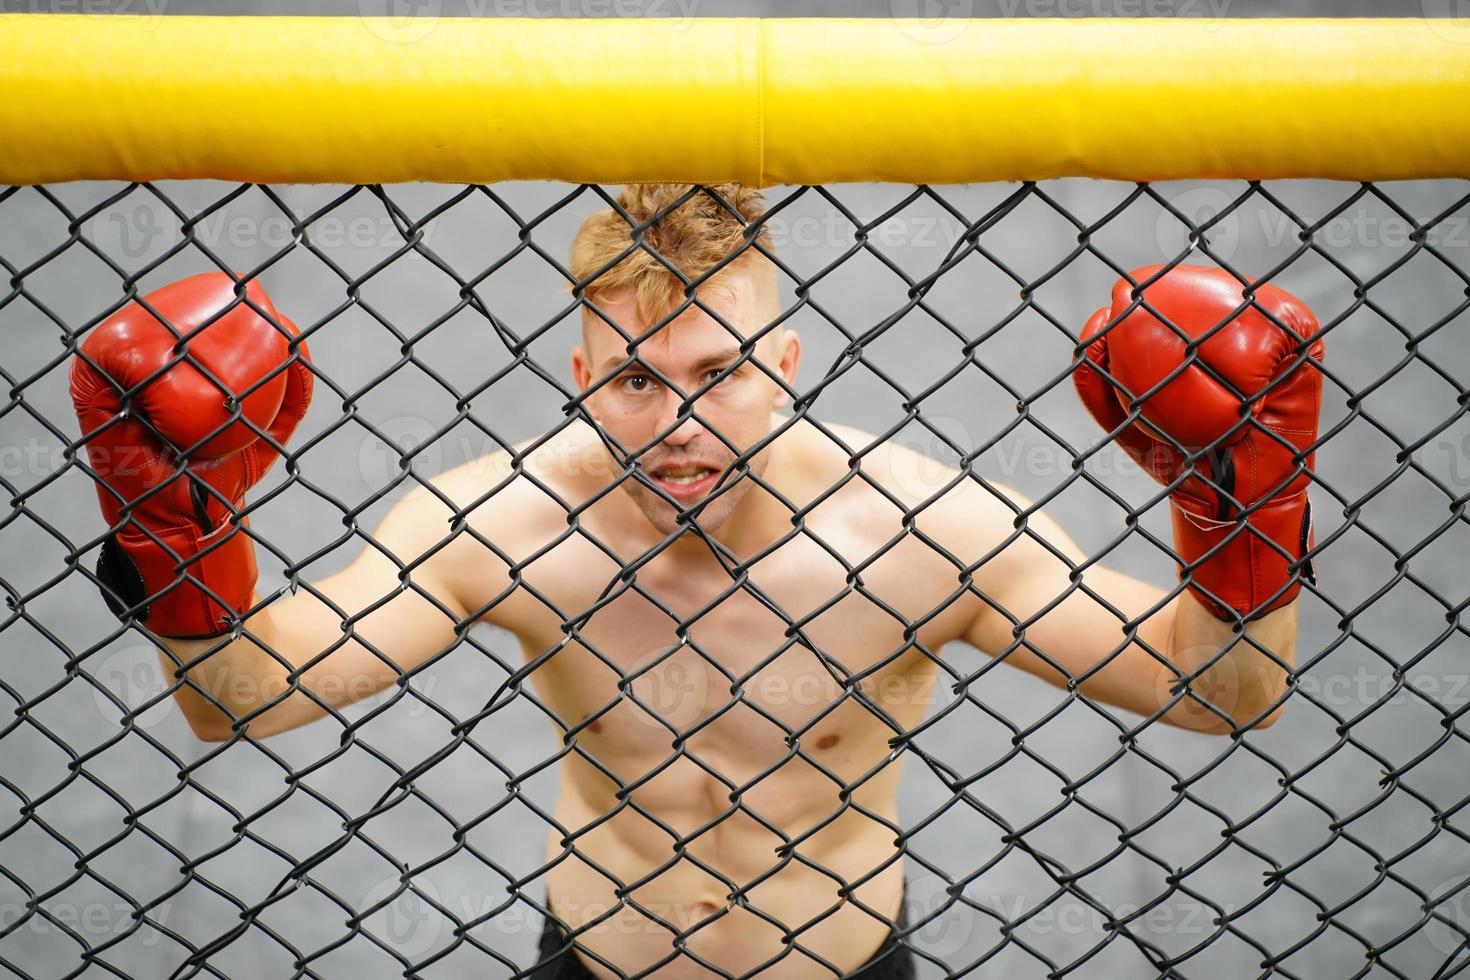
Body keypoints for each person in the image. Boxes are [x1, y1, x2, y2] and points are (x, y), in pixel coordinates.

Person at [70, 183, 1323, 979]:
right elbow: (242, 696)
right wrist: (177, 518)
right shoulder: (503, 520)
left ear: (783, 359)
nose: (680, 419)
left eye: (719, 371)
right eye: (636, 380)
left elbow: (1221, 693)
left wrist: (1235, 501)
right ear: (577, 371)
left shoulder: (916, 529)